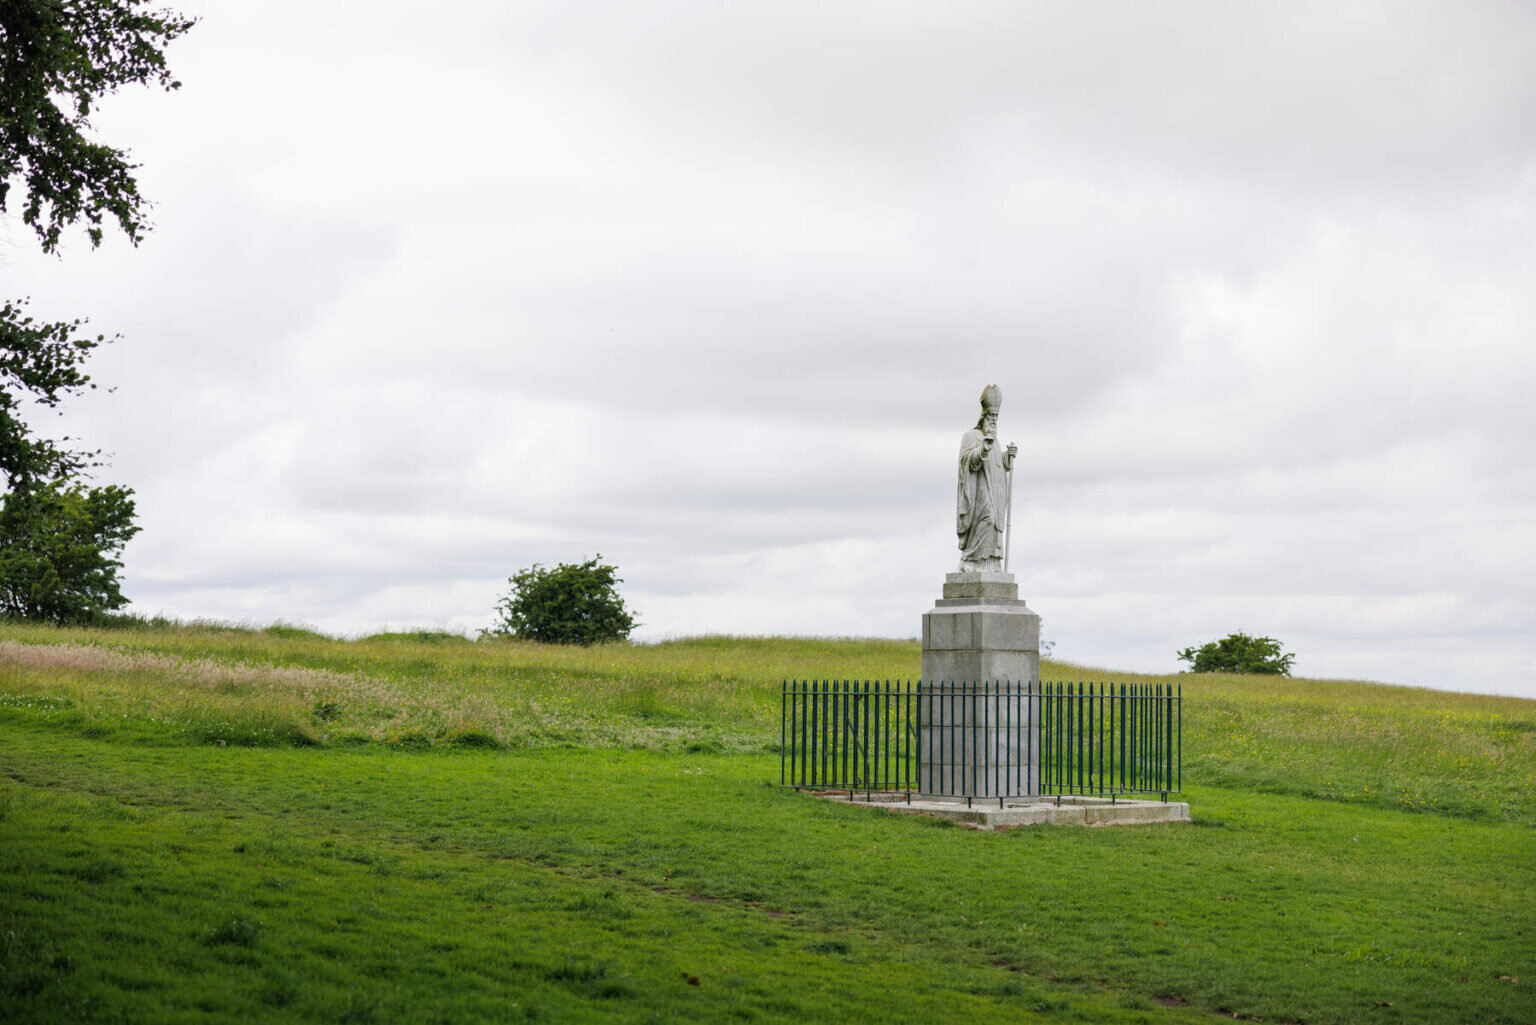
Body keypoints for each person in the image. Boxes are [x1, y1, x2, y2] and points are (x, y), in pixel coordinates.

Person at [956, 384, 1017, 571]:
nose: (994, 421)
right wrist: (982, 449)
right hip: (980, 493)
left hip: (996, 491)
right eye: (991, 416)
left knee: (995, 522)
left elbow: (998, 464)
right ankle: (972, 560)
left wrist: (1008, 457)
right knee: (987, 518)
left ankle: (991, 561)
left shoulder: (996, 441)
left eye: (996, 417)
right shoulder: (971, 436)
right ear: (983, 416)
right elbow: (966, 461)